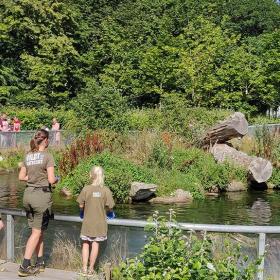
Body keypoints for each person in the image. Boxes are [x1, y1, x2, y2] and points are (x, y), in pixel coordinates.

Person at [18, 129, 58, 277]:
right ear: (46, 140)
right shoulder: (47, 156)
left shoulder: (28, 156)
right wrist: (57, 179)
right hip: (40, 197)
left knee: (38, 230)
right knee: (36, 232)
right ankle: (24, 265)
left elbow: (21, 176)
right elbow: (52, 179)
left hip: (27, 196)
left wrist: (33, 177)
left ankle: (40, 262)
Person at [77, 166, 115, 277]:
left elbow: (80, 204)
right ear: (102, 176)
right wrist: (108, 212)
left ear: (91, 176)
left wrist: (82, 211)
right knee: (95, 244)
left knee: (85, 244)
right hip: (100, 223)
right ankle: (91, 269)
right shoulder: (105, 190)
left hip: (87, 222)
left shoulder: (86, 189)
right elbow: (110, 206)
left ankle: (84, 269)